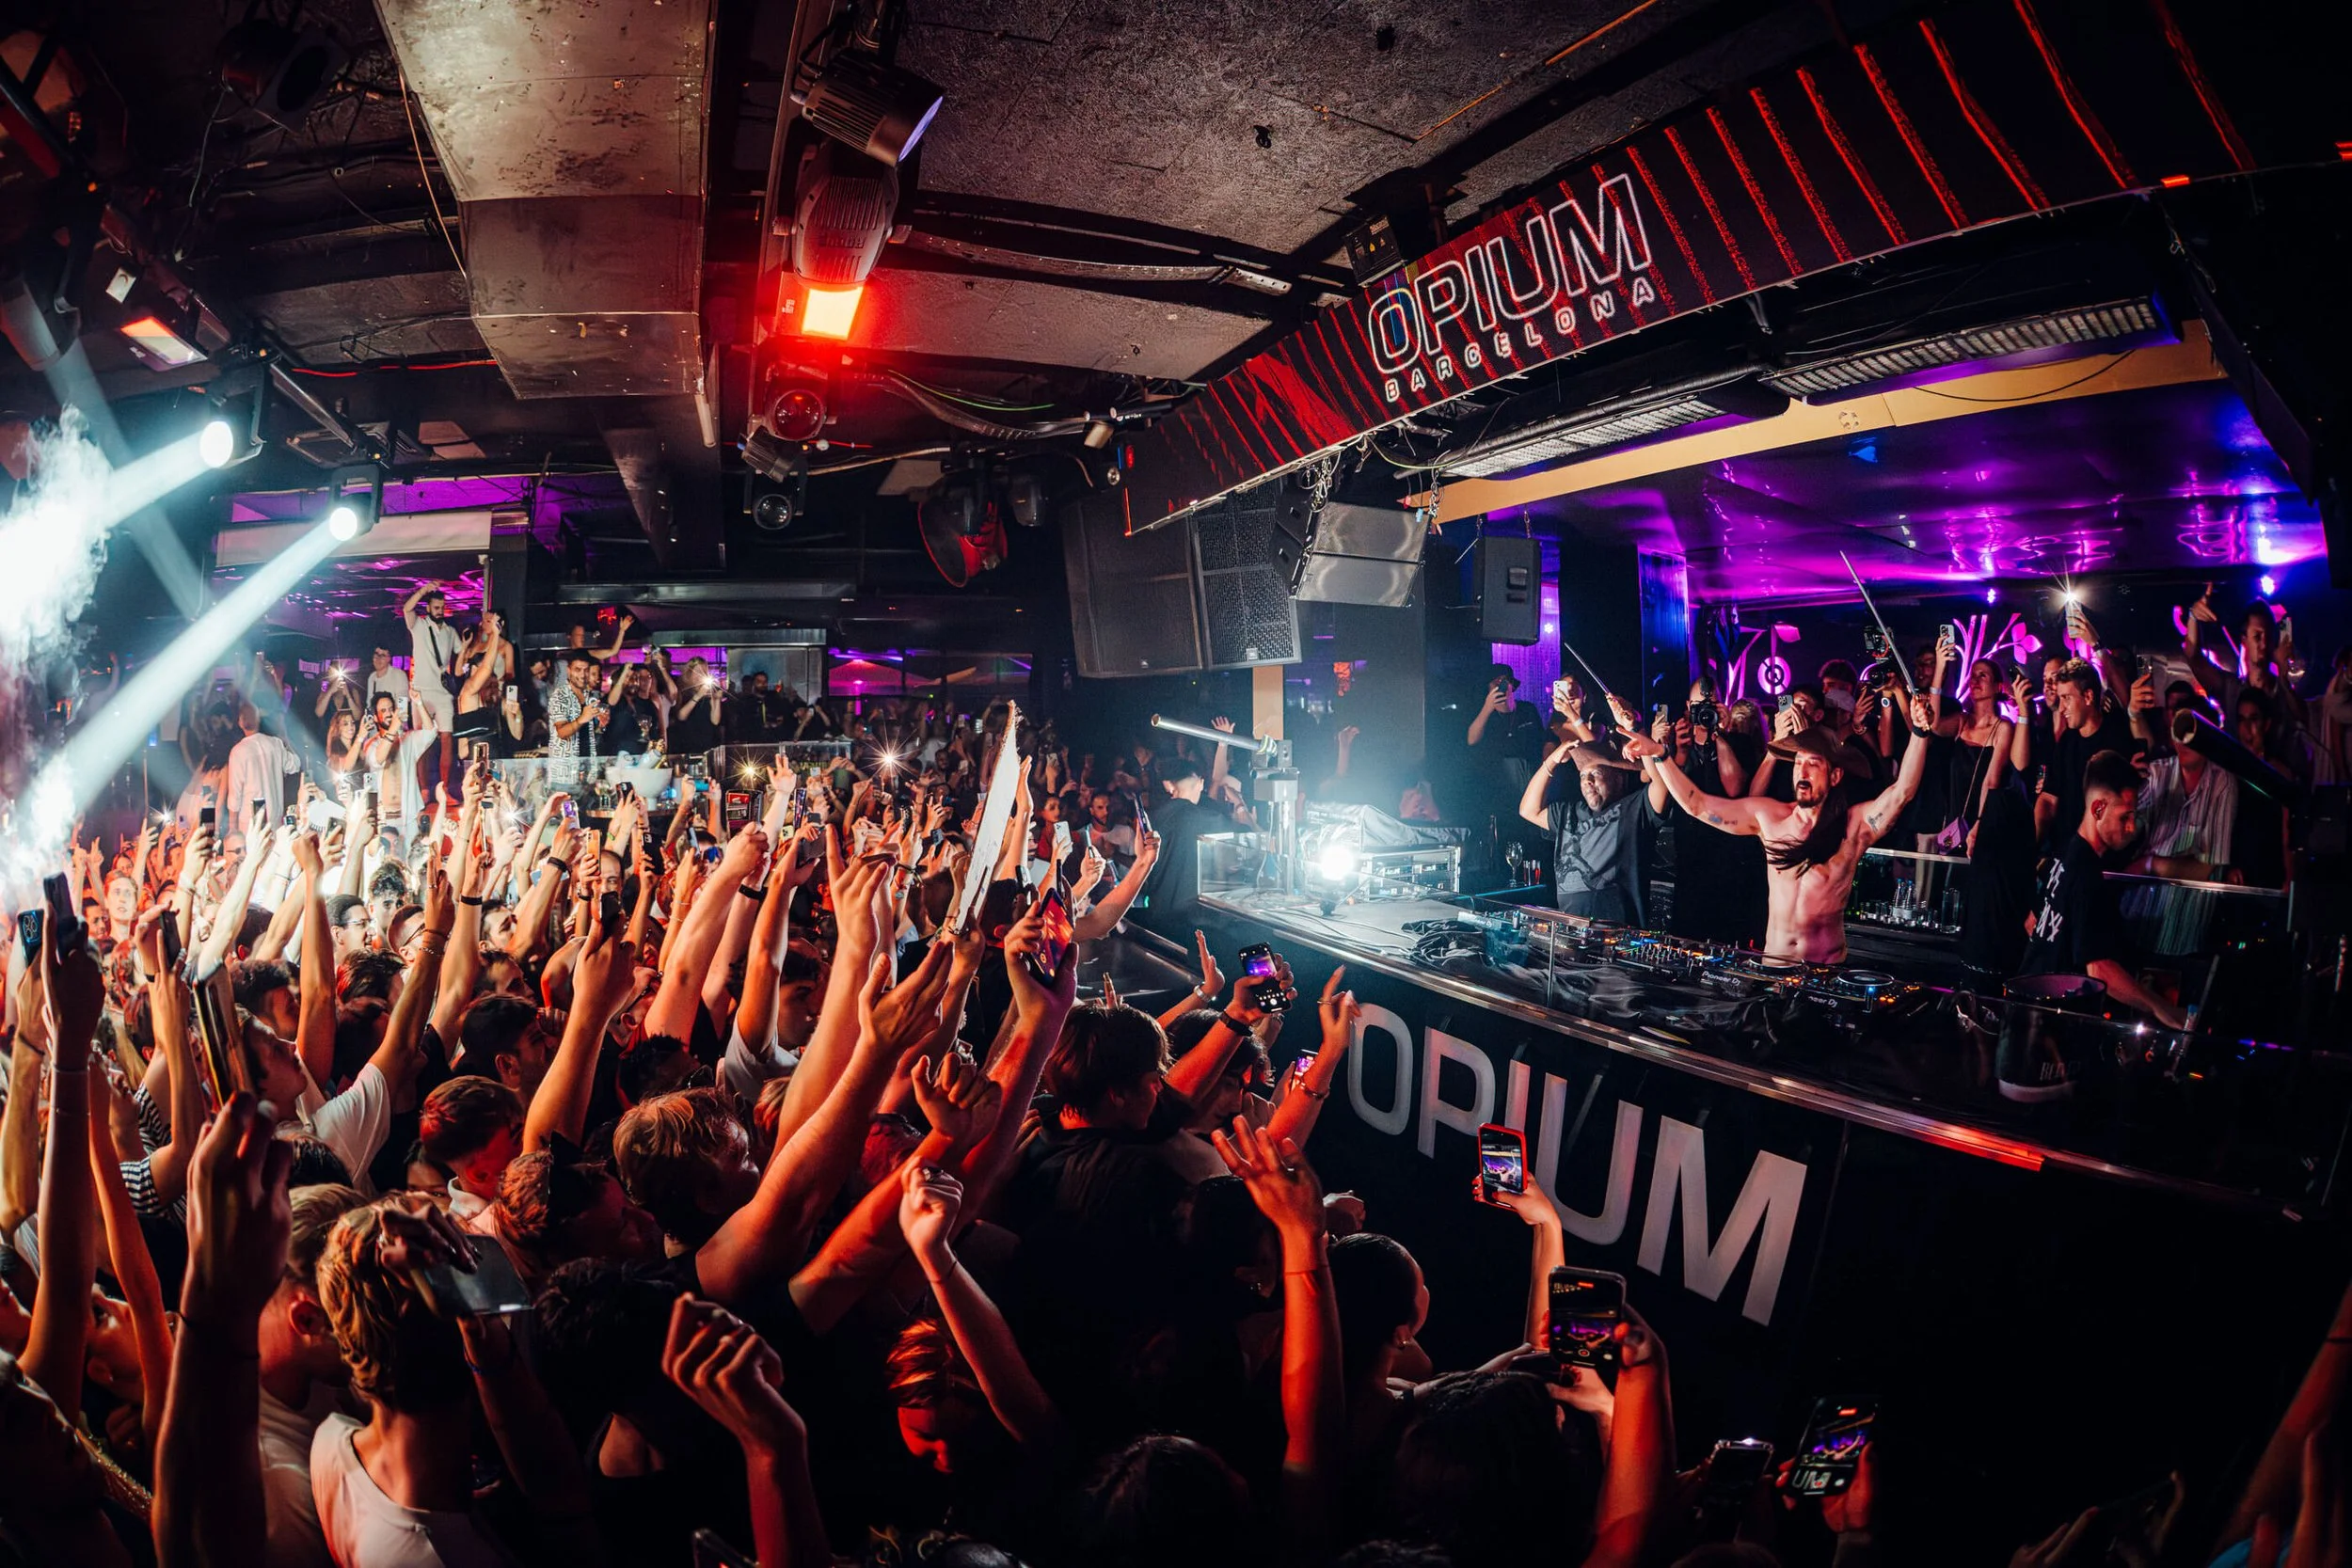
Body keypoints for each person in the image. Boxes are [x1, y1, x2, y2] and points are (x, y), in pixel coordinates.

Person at [1628, 690, 1933, 964]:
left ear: (1836, 776)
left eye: (1813, 764)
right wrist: (1661, 756)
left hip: (1823, 971)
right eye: (1798, 763)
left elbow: (1903, 791)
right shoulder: (1770, 818)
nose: (1802, 770)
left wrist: (1920, 733)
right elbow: (1698, 805)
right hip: (1774, 967)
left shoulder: (1853, 828)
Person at [2016, 749, 2189, 1050]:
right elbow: (2099, 969)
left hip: (2027, 1010)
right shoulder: (2087, 874)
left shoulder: (2066, 852)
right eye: (2125, 816)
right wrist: (2159, 1007)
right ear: (2098, 809)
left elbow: (2032, 923)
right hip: (2047, 1027)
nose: (2131, 827)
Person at [1517, 736, 1654, 924]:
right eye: (1582, 775)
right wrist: (1551, 762)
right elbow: (1527, 810)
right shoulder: (1567, 813)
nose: (1587, 781)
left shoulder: (1634, 807)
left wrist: (1640, 735)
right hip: (1573, 929)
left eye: (1596, 772)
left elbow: (1661, 785)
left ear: (1618, 777)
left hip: (1619, 932)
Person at [2033, 658, 2135, 850]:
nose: (2061, 708)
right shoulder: (2066, 741)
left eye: (2067, 698)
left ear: (2088, 697)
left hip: (2103, 861)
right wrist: (2032, 845)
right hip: (2064, 854)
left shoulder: (2117, 737)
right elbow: (2048, 798)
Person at [402, 581, 464, 800]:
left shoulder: (450, 631)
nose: (439, 611)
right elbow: (406, 609)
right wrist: (423, 591)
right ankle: (423, 790)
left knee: (447, 737)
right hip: (421, 691)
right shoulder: (419, 625)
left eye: (442, 607)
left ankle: (444, 789)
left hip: (443, 692)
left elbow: (461, 654)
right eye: (436, 607)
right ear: (428, 608)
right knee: (422, 740)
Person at [224, 700, 305, 831]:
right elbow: (295, 765)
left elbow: (235, 795)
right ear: (258, 720)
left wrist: (232, 829)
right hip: (275, 819)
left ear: (240, 722)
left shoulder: (238, 751)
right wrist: (285, 738)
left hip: (250, 822)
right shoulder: (275, 743)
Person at [546, 650, 609, 790]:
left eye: (586, 670)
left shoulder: (589, 696)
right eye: (577, 670)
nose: (582, 674)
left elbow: (588, 734)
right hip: (564, 777)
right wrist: (581, 719)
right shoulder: (560, 696)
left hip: (587, 775)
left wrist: (601, 724)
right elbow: (562, 732)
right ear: (568, 671)